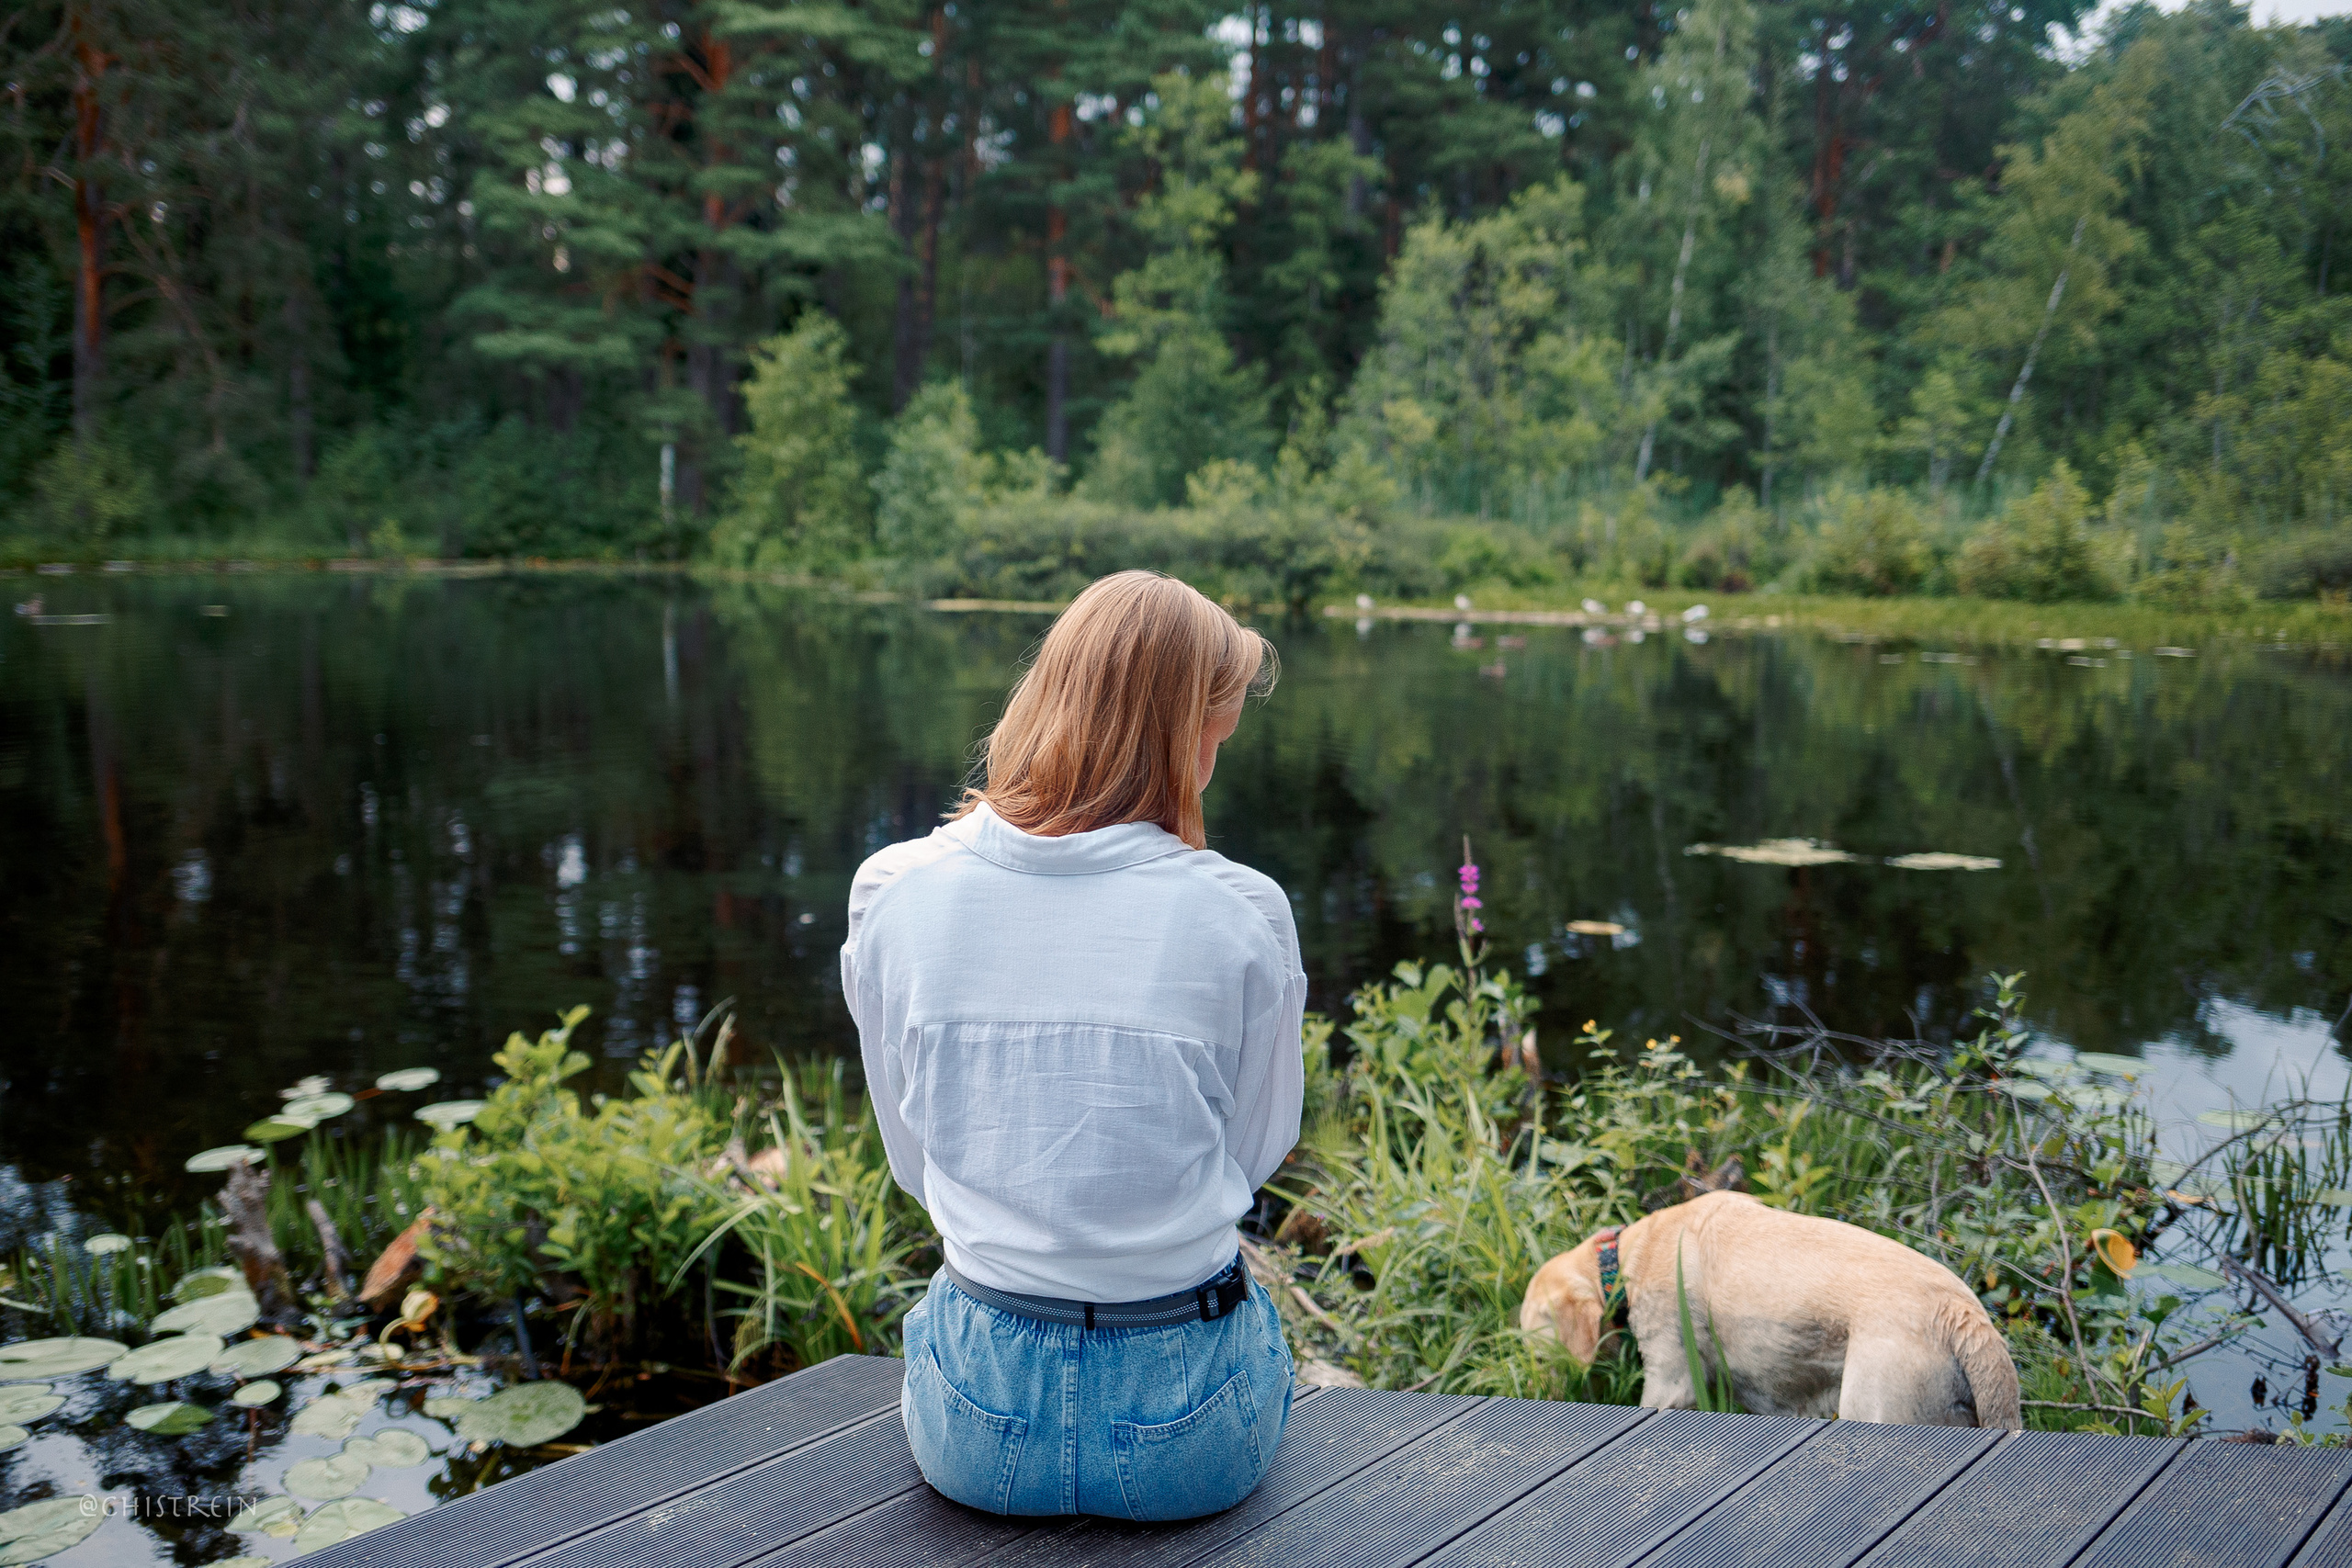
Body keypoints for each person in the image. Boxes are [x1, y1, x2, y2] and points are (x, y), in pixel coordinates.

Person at [842, 570, 1306, 1520]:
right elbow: (1254, 1155)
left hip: (975, 1425)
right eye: (1216, 730)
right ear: (1184, 732)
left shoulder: (893, 889)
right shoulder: (1242, 911)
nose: (1216, 754)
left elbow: (912, 1155)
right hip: (1190, 1433)